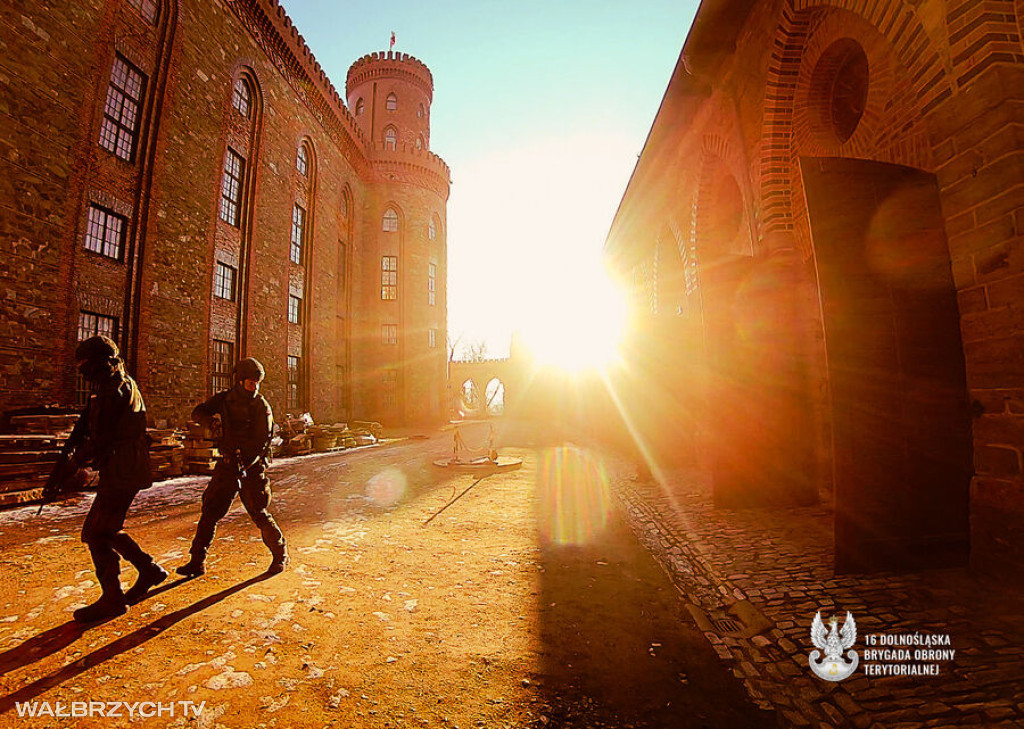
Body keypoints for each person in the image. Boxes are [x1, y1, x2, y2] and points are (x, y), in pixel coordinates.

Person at [50, 335, 167, 622]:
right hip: (127, 467)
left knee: (96, 533)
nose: (82, 371)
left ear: (98, 363)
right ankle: (149, 570)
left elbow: (100, 439)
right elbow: (93, 425)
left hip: (122, 468)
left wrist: (71, 465)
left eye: (84, 364)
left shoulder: (111, 388)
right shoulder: (121, 381)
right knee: (106, 529)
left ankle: (113, 598)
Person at [177, 357, 288, 576]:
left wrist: (245, 463)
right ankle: (197, 560)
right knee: (210, 512)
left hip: (251, 468)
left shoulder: (261, 407)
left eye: (257, 383)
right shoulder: (226, 399)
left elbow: (261, 442)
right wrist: (212, 423)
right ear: (239, 381)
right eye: (250, 382)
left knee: (259, 513)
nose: (254, 387)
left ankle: (280, 555)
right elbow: (199, 411)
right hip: (227, 465)